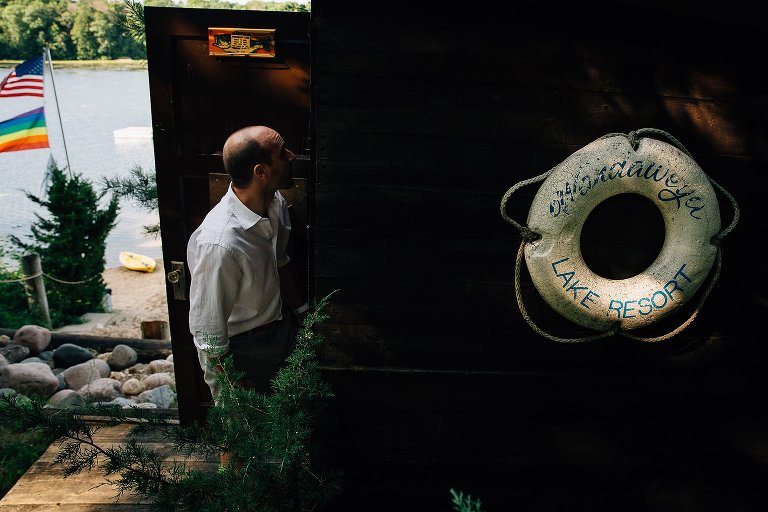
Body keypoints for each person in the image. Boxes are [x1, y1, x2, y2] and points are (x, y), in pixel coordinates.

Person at [187, 125, 309, 401]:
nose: (291, 156)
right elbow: (208, 334)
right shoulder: (220, 245)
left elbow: (279, 261)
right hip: (242, 353)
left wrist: (302, 312)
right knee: (250, 436)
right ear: (261, 172)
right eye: (281, 152)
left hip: (282, 331)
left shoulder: (274, 203)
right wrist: (231, 388)